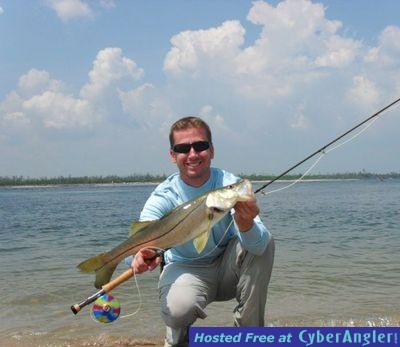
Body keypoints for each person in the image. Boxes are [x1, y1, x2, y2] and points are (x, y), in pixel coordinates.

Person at [130, 116, 275, 347]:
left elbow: (259, 247)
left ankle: (248, 338)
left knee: (264, 239)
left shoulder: (229, 183)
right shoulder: (164, 195)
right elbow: (141, 236)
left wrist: (247, 225)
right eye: (182, 148)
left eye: (200, 145)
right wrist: (137, 256)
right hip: (186, 268)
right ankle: (179, 338)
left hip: (229, 269)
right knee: (177, 311)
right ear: (172, 155)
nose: (193, 154)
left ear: (212, 150)